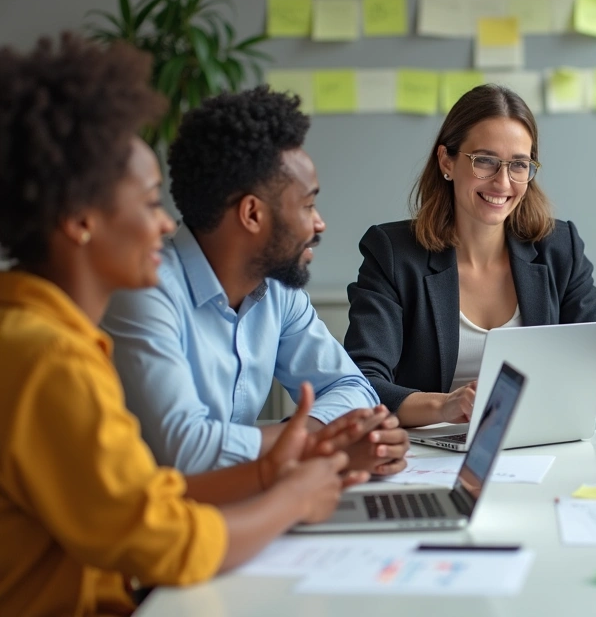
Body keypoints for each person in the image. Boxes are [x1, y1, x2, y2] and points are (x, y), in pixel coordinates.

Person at [0, 33, 376, 616]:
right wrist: (292, 498)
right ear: (81, 221)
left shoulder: (42, 334)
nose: (163, 225)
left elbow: (141, 495)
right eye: (149, 203)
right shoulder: (48, 357)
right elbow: (162, 541)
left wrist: (272, 468)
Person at [102, 87, 408, 476]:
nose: (319, 224)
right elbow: (185, 451)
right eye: (308, 205)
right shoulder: (145, 289)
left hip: (238, 501)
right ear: (252, 214)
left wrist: (314, 438)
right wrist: (321, 442)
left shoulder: (277, 288)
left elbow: (354, 390)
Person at [344, 84, 596, 427]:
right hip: (428, 453)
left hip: (535, 449)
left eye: (519, 165)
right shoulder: (392, 253)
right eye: (485, 161)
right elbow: (362, 385)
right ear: (446, 160)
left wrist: (513, 408)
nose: (503, 182)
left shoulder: (560, 248)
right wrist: (445, 406)